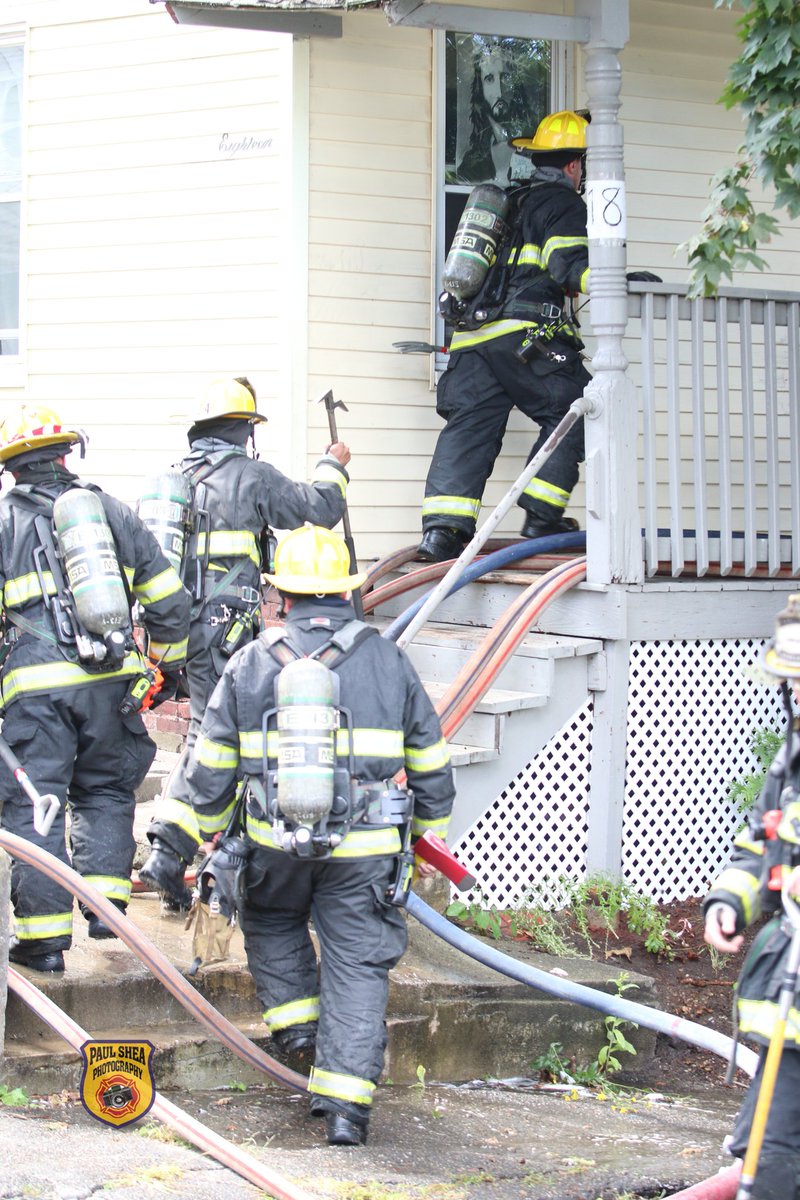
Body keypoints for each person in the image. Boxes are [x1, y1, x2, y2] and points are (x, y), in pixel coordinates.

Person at [141, 524, 455, 1146]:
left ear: (282, 595)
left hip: (272, 843)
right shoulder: (388, 659)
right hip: (364, 851)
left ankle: (299, 1034)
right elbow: (429, 757)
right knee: (358, 964)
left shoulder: (251, 661)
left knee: (274, 922)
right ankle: (345, 1111)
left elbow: (210, 769)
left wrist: (174, 841)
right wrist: (427, 837)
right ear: (346, 591)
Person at [418, 109, 659, 564]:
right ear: (574, 166)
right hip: (524, 337)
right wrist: (621, 282)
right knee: (587, 408)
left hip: (470, 340)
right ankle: (541, 516)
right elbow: (570, 265)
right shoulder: (561, 203)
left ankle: (442, 534)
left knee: (468, 429)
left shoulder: (507, 203)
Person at [0, 403, 191, 974]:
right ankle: (106, 910)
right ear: (66, 454)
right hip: (112, 683)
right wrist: (163, 667)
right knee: (107, 792)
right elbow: (169, 602)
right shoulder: (109, 511)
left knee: (37, 810)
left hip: (36, 695)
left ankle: (44, 943)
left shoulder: (4, 521)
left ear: (12, 466)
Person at [144, 376, 351, 750]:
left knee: (215, 720)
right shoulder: (252, 476)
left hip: (183, 625)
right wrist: (331, 465)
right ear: (244, 429)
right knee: (212, 731)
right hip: (223, 631)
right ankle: (184, 804)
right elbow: (321, 508)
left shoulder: (180, 478)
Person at [704, 593, 800, 1199]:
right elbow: (760, 841)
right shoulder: (793, 754)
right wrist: (728, 903)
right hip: (791, 983)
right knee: (767, 1149)